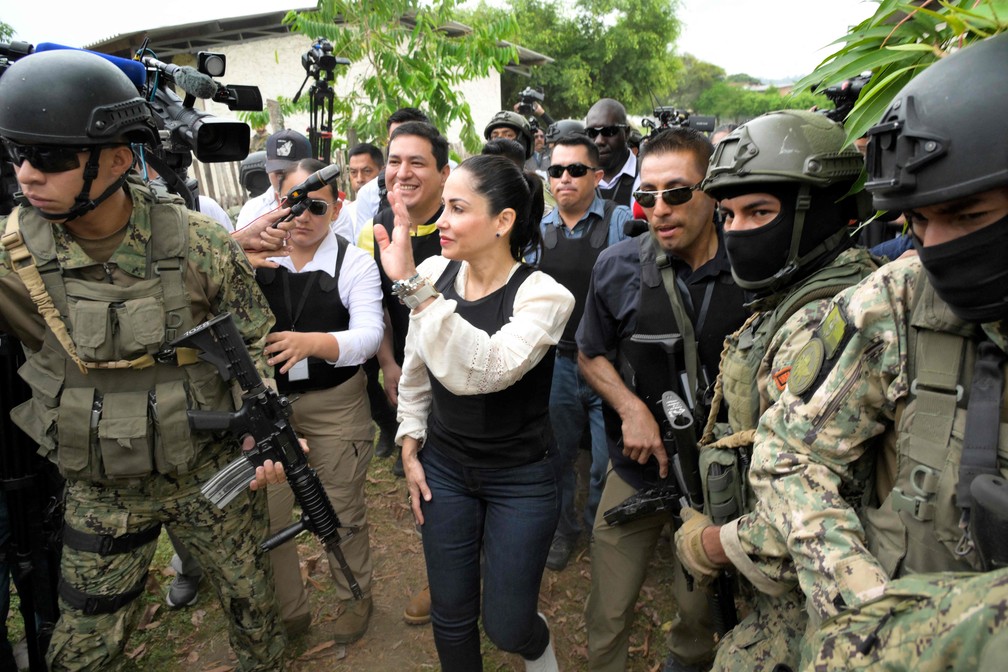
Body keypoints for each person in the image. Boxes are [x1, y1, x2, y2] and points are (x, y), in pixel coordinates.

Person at [728, 33, 1008, 670]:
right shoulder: (901, 298)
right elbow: (792, 450)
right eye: (917, 223)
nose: (935, 249)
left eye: (967, 218)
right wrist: (868, 619)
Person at [0, 49, 285, 671]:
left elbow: (257, 340)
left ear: (119, 159)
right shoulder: (10, 262)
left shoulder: (199, 244)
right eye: (16, 154)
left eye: (49, 158)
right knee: (82, 652)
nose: (26, 175)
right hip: (103, 488)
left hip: (211, 471)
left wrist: (262, 433)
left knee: (253, 612)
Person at [671, 110, 879, 671]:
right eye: (729, 213)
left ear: (822, 212)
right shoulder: (797, 295)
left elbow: (809, 512)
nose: (736, 230)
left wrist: (708, 544)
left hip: (813, 603)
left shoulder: (824, 320)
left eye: (759, 212)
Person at [375, 154, 574, 671]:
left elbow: (483, 371)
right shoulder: (434, 274)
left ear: (503, 221)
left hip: (522, 477)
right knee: (451, 613)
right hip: (445, 469)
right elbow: (418, 369)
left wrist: (414, 291)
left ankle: (537, 645)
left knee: (507, 625)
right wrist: (410, 441)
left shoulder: (544, 295)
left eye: (457, 208)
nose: (440, 220)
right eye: (443, 207)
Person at [578, 127, 748, 672]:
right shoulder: (617, 266)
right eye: (646, 195)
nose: (659, 208)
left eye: (676, 192)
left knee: (699, 619)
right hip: (634, 472)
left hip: (716, 487)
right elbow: (590, 353)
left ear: (712, 191)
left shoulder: (753, 272)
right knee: (607, 609)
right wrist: (632, 410)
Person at [259, 158, 383, 641]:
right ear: (277, 206)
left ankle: (356, 596)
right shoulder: (254, 259)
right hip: (273, 406)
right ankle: (289, 609)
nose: (304, 216)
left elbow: (369, 335)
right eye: (294, 204)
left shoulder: (354, 263)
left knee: (341, 507)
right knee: (270, 511)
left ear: (336, 208)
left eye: (316, 206)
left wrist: (313, 342)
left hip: (336, 402)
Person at [536, 133, 631, 571]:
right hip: (556, 364)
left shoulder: (619, 221)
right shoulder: (538, 231)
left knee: (604, 464)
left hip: (608, 364)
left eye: (576, 170)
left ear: (598, 176)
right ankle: (562, 529)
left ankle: (600, 531)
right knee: (556, 458)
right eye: (557, 170)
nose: (565, 179)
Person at [235, 129, 312, 231]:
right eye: (278, 173)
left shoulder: (326, 204)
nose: (283, 179)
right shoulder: (252, 210)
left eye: (291, 173)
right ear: (267, 167)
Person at [584, 98, 638, 208]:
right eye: (592, 133)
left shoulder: (646, 176)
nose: (599, 141)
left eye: (609, 131)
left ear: (626, 133)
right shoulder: (578, 176)